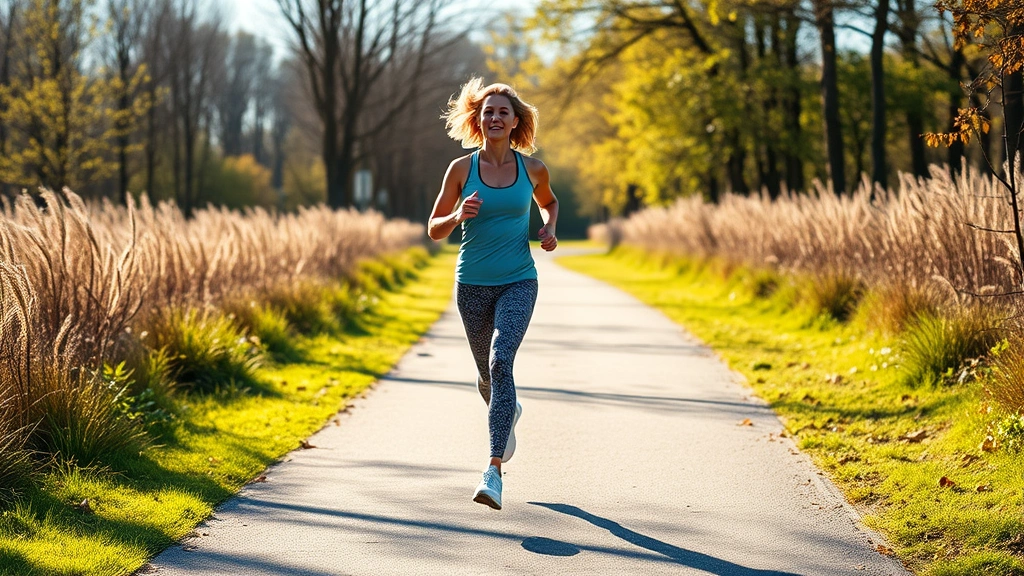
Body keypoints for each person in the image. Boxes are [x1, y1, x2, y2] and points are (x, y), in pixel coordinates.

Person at [427, 78, 558, 510]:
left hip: (520, 279)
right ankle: (508, 407)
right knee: (488, 376)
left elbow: (550, 203)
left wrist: (549, 228)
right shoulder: (460, 170)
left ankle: (493, 471)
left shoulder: (532, 169)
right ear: (478, 121)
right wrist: (456, 213)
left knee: (503, 360)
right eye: (488, 112)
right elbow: (434, 230)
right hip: (472, 286)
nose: (495, 117)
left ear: (515, 120)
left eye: (503, 112)